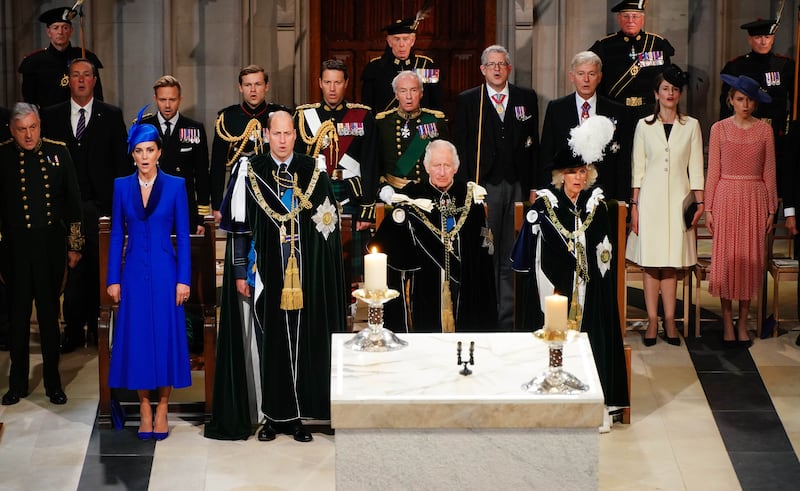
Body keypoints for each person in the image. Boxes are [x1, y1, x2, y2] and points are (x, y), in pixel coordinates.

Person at [205, 110, 346, 442]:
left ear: (295, 136)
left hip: (303, 277)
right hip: (263, 275)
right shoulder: (249, 170)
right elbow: (238, 229)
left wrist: (319, 270)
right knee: (270, 344)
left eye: (288, 134)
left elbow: (328, 224)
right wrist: (240, 271)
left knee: (299, 343)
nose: (282, 140)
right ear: (266, 135)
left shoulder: (312, 171)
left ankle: (296, 417)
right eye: (276, 134)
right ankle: (271, 416)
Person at [511, 116, 629, 432]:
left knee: (594, 341)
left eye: (581, 172)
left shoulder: (597, 206)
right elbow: (531, 255)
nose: (576, 178)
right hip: (558, 292)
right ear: (560, 176)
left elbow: (605, 251)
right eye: (570, 173)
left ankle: (598, 404)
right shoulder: (548, 207)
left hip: (591, 292)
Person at [106, 110, 192, 440]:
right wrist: (113, 278)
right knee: (140, 338)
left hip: (167, 273)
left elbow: (182, 235)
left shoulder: (175, 186)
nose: (144, 157)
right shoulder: (121, 187)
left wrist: (183, 279)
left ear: (159, 152)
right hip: (132, 276)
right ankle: (144, 406)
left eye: (150, 150)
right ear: (132, 154)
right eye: (139, 151)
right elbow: (117, 234)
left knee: (166, 339)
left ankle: (163, 407)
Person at [40, 58, 130, 353]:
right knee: (71, 273)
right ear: (69, 80)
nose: (81, 80)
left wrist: (121, 210)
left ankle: (98, 328)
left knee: (99, 269)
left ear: (94, 80)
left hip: (101, 209)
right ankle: (73, 330)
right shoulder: (50, 116)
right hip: (64, 211)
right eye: (75, 75)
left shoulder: (111, 115)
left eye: (86, 75)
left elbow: (121, 167)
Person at [0, 102, 84, 406]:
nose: (28, 135)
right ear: (12, 129)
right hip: (15, 251)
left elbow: (74, 203)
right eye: (21, 129)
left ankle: (53, 385)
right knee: (18, 319)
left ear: (39, 126)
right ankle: (17, 384)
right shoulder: (3, 156)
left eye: (33, 127)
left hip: (50, 249)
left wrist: (75, 245)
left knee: (50, 321)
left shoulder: (58, 152)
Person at [368, 139, 497, 332]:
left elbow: (483, 256)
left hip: (466, 296)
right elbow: (389, 250)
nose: (442, 172)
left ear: (456, 167)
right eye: (437, 165)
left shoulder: (471, 198)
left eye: (447, 165)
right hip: (422, 293)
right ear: (427, 167)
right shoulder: (411, 197)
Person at [453, 44, 539, 330]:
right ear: (482, 69)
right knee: (487, 251)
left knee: (511, 252)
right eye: (492, 64)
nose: (497, 68)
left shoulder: (526, 99)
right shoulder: (469, 101)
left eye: (502, 64)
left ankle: (508, 318)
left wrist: (533, 188)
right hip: (484, 188)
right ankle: (487, 314)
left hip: (516, 186)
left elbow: (532, 147)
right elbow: (462, 149)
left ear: (509, 68)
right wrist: (469, 190)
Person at [625, 65, 705, 346]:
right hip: (650, 200)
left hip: (679, 200)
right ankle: (652, 320)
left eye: (674, 89)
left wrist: (700, 202)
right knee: (651, 263)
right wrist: (634, 204)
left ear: (680, 94)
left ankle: (670, 320)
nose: (670, 94)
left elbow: (696, 166)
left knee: (671, 263)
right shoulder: (644, 125)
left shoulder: (691, 125)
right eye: (665, 89)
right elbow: (638, 167)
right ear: (656, 94)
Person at [706, 75, 778, 348]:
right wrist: (710, 207)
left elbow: (769, 170)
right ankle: (726, 321)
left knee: (750, 260)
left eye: (749, 99)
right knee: (726, 259)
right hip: (726, 195)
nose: (744, 104)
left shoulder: (764, 131)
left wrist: (772, 208)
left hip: (755, 198)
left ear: (755, 102)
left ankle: (744, 320)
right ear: (731, 100)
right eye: (739, 99)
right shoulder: (719, 129)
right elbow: (713, 170)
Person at [295, 59, 377, 282]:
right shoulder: (304, 116)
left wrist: (367, 210)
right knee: (318, 259)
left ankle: (350, 309)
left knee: (350, 263)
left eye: (337, 82)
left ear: (346, 83)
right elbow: (298, 165)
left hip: (352, 193)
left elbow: (370, 164)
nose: (332, 88)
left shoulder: (363, 116)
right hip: (316, 193)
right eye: (328, 82)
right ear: (320, 83)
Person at [539, 51, 631, 201]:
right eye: (581, 74)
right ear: (572, 77)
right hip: (565, 194)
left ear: (599, 77)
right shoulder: (557, 109)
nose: (586, 79)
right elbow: (547, 154)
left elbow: (623, 162)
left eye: (592, 74)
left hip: (606, 193)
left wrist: (623, 200)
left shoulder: (616, 111)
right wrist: (546, 193)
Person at [720, 18, 794, 193]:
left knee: (773, 185)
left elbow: (793, 100)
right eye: (759, 37)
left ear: (773, 38)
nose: (763, 41)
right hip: (742, 132)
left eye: (768, 36)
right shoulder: (736, 66)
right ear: (750, 39)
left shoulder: (785, 65)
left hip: (775, 134)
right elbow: (725, 105)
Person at [210, 65, 287, 221]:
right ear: (240, 88)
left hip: (275, 190)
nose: (253, 90)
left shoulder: (281, 115)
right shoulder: (227, 119)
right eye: (247, 85)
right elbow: (217, 165)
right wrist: (217, 205)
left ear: (266, 86)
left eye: (257, 84)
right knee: (239, 244)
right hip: (239, 191)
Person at [141, 75, 211, 234]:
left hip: (184, 208)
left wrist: (201, 217)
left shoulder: (194, 129)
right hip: (150, 206)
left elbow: (201, 175)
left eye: (172, 99)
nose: (167, 105)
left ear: (180, 99)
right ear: (155, 99)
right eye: (162, 99)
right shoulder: (143, 127)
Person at [589, 0, 675, 117]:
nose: (630, 21)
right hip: (615, 110)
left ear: (642, 19)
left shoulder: (657, 44)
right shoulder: (605, 45)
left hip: (649, 111)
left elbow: (667, 80)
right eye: (626, 16)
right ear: (619, 19)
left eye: (635, 16)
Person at [375, 70, 448, 195]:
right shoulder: (383, 122)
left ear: (421, 93)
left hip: (427, 192)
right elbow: (375, 162)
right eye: (403, 91)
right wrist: (383, 187)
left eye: (413, 90)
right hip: (394, 191)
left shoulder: (435, 121)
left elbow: (445, 159)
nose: (409, 96)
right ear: (396, 95)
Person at [18, 6, 104, 108]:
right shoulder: (33, 62)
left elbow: (98, 97)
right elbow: (30, 104)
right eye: (56, 28)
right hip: (48, 120)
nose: (60, 32)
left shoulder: (86, 57)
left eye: (65, 27)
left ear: (71, 31)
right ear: (49, 32)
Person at [361, 15, 441, 114]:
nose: (401, 44)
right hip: (387, 126)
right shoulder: (375, 67)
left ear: (412, 41)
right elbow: (367, 106)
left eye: (406, 39)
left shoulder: (426, 65)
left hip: (420, 125)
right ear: (389, 42)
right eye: (397, 39)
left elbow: (436, 103)